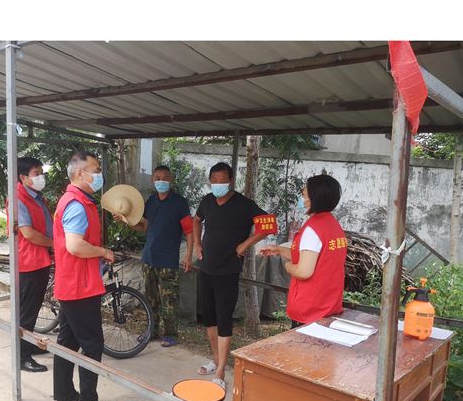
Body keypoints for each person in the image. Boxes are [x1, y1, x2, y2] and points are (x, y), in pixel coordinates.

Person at [52, 150, 120, 401]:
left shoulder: (73, 200)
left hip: (71, 283)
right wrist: (103, 251)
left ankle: (65, 395)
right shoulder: (77, 204)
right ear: (80, 173)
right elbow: (75, 245)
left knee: (67, 342)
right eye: (96, 169)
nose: (100, 174)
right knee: (92, 346)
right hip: (80, 287)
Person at [193, 162, 271, 385]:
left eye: (222, 181)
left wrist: (245, 244)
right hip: (206, 268)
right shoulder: (207, 201)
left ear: (231, 181)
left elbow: (268, 225)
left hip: (227, 271)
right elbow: (196, 220)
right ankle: (216, 360)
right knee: (209, 318)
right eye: (214, 181)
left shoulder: (244, 204)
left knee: (224, 319)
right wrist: (197, 243)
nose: (218, 184)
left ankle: (220, 373)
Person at [260, 173, 348, 327]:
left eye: (304, 195)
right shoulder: (333, 225)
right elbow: (315, 257)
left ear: (314, 198)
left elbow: (303, 271)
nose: (301, 198)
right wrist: (279, 250)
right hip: (328, 304)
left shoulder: (313, 229)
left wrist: (287, 266)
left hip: (310, 308)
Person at [121, 165, 193, 347]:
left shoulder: (180, 203)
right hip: (148, 259)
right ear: (152, 180)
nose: (161, 181)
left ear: (171, 180)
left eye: (165, 178)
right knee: (150, 299)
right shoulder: (151, 201)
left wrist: (189, 255)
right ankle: (151, 331)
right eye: (158, 178)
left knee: (169, 300)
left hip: (168, 261)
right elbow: (144, 227)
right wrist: (126, 220)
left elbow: (189, 231)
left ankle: (170, 335)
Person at [8, 156, 54, 372]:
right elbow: (29, 234)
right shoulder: (19, 198)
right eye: (36, 174)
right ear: (23, 177)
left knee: (33, 307)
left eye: (41, 173)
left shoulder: (35, 196)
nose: (41, 177)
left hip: (40, 258)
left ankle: (28, 344)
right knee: (26, 311)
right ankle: (22, 357)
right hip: (29, 261)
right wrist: (57, 244)